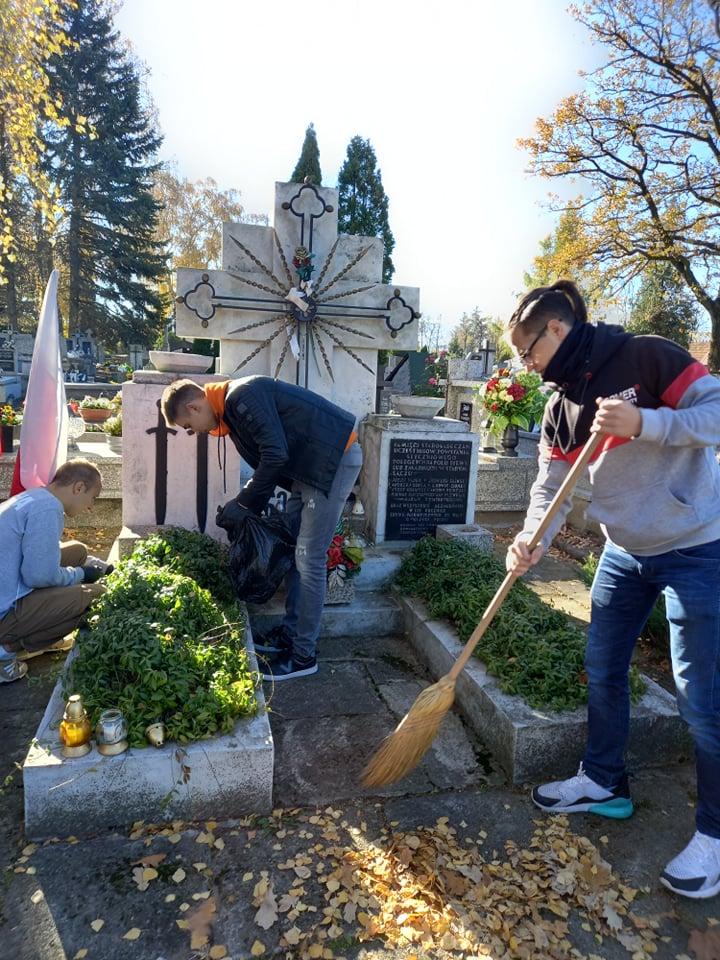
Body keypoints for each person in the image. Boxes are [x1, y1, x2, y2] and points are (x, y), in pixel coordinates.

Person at [505, 280, 720, 900]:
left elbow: (715, 415)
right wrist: (530, 538)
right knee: (601, 668)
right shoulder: (560, 405)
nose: (526, 364)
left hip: (696, 546)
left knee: (701, 698)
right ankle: (604, 780)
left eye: (528, 350)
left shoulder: (648, 355)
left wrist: (647, 421)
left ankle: (713, 833)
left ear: (555, 330)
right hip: (625, 552)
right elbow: (550, 486)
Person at [160, 376, 363, 682]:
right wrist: (246, 507)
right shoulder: (231, 410)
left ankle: (303, 655)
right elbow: (274, 458)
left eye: (189, 426)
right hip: (308, 469)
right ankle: (292, 635)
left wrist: (243, 504)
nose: (194, 433)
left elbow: (275, 454)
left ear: (194, 405)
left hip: (332, 462)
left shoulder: (241, 399)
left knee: (310, 558)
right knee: (295, 548)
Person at [0, 458, 112, 683]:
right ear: (78, 487)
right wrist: (82, 574)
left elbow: (40, 558)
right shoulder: (48, 509)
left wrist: (86, 564)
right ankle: (5, 651)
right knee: (95, 595)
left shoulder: (35, 497)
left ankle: (40, 630)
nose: (90, 507)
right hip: (5, 612)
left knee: (78, 551)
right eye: (93, 498)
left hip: (10, 589)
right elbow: (38, 576)